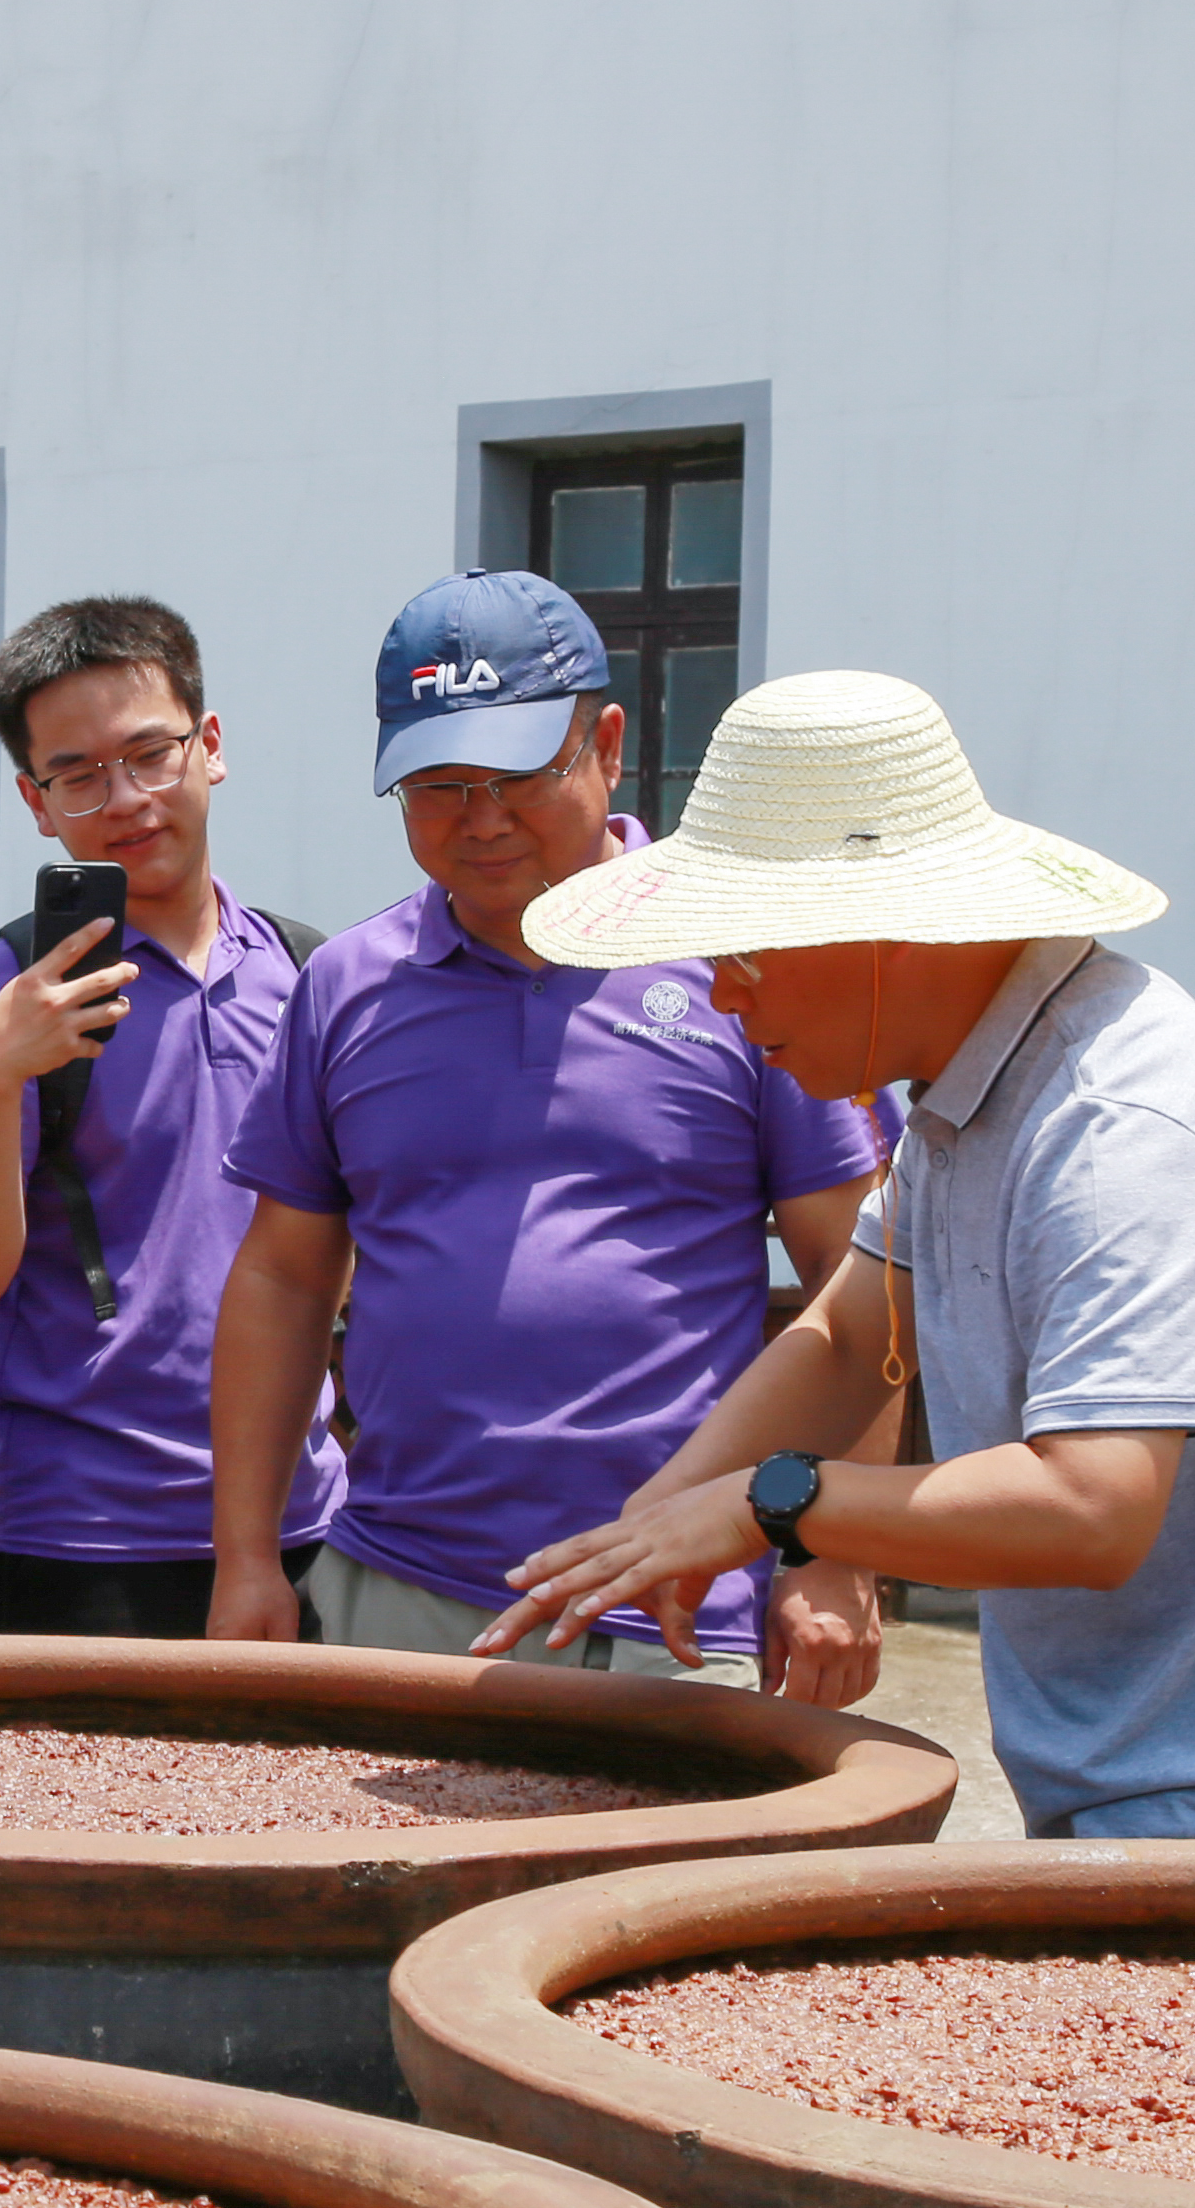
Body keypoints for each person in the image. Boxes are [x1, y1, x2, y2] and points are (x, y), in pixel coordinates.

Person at [488, 669, 1195, 1842]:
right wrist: (656, 1521)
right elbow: (851, 1333)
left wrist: (770, 1506)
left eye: (747, 952)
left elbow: (1090, 1508)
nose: (724, 996)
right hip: (1135, 1779)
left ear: (883, 926)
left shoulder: (1120, 1129)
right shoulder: (963, 1098)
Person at [208, 570, 887, 1680]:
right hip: (402, 1593)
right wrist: (244, 1558)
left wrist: (834, 1557)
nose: (481, 820)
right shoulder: (345, 987)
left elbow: (859, 1279)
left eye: (520, 773)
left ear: (608, 742)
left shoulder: (747, 959)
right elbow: (283, 1281)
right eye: (437, 784)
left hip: (675, 1606)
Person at [0, 594, 344, 1633]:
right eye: (77, 774)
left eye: (149, 753)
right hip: (72, 1530)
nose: (124, 798)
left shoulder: (312, 975)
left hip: (307, 1514)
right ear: (34, 798)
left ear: (210, 747)